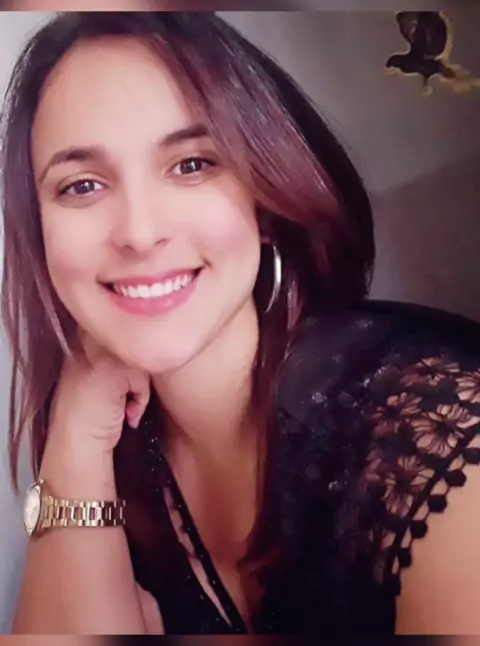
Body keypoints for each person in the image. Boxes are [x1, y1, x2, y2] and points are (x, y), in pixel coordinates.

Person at [2, 11, 480, 636]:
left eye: (191, 165)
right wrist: (72, 439)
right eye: (83, 185)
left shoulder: (435, 435)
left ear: (263, 200)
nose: (140, 233)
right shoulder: (112, 443)